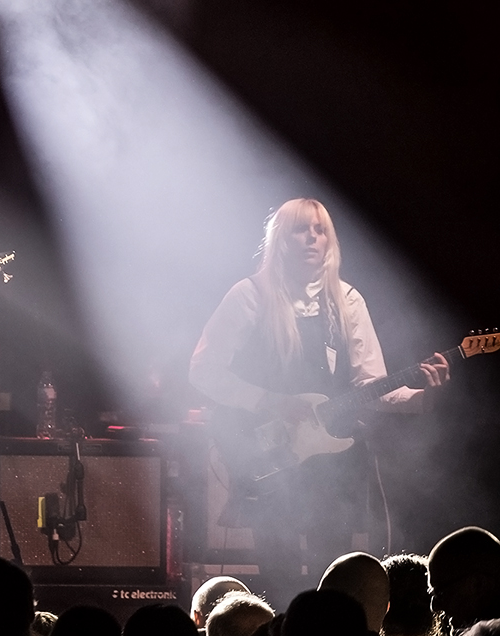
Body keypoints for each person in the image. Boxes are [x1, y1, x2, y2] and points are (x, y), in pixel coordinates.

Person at [190, 198, 449, 603]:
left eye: (320, 229)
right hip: (272, 453)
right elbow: (204, 370)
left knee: (339, 570)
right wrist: (268, 401)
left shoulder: (346, 301)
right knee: (281, 573)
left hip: (335, 457)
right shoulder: (250, 296)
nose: (312, 238)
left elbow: (373, 385)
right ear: (281, 239)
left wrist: (424, 395)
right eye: (301, 229)